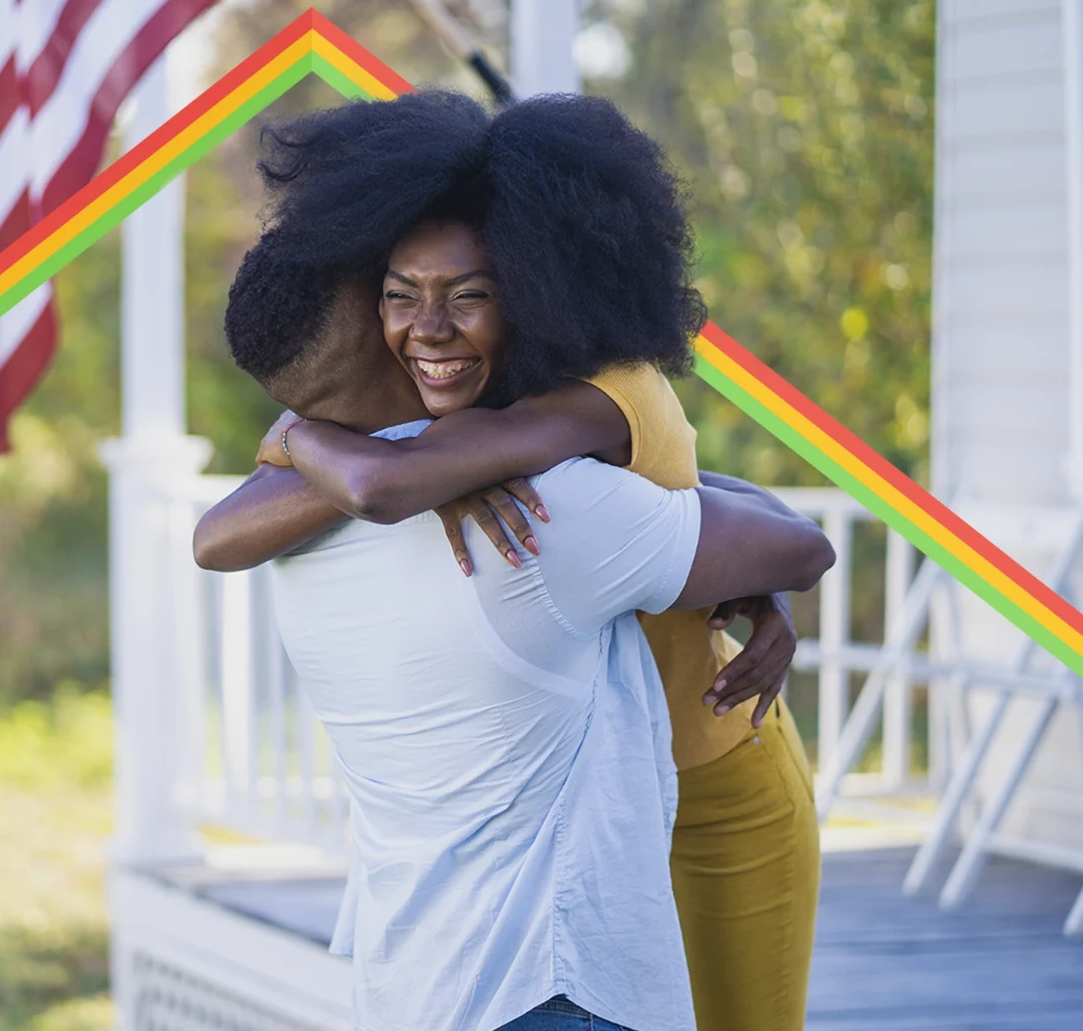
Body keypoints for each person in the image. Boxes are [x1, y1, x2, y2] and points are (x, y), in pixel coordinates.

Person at [197, 92, 823, 1031]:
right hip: (590, 799)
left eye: (471, 293)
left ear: (535, 285)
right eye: (400, 296)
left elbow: (387, 485)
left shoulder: (587, 409)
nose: (428, 329)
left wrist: (303, 437)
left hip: (714, 770)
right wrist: (318, 439)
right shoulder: (458, 438)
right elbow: (217, 537)